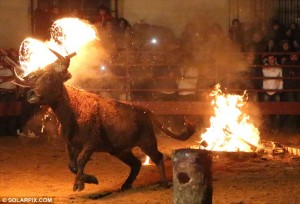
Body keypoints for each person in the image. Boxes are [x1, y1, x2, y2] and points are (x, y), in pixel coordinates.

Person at [261, 54, 283, 132]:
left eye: (272, 59)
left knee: (277, 110)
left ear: (275, 59)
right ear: (268, 60)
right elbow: (264, 76)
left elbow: (280, 79)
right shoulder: (265, 68)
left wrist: (280, 88)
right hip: (266, 90)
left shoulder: (278, 68)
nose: (271, 60)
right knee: (266, 110)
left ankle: (275, 128)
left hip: (276, 90)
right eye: (269, 59)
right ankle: (267, 128)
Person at [282, 53, 300, 132]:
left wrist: (293, 74)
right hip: (290, 88)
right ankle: (288, 127)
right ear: (290, 57)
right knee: (291, 107)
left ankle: (295, 127)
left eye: (295, 56)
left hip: (298, 88)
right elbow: (286, 76)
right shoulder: (286, 63)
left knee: (298, 107)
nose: (294, 58)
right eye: (292, 56)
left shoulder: (298, 64)